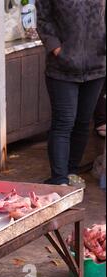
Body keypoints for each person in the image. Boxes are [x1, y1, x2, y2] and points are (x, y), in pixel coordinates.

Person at [37, 0, 106, 187]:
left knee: (83, 123)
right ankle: (59, 179)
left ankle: (71, 171)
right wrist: (57, 49)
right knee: (64, 122)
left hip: (96, 66)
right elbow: (43, 20)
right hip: (62, 69)